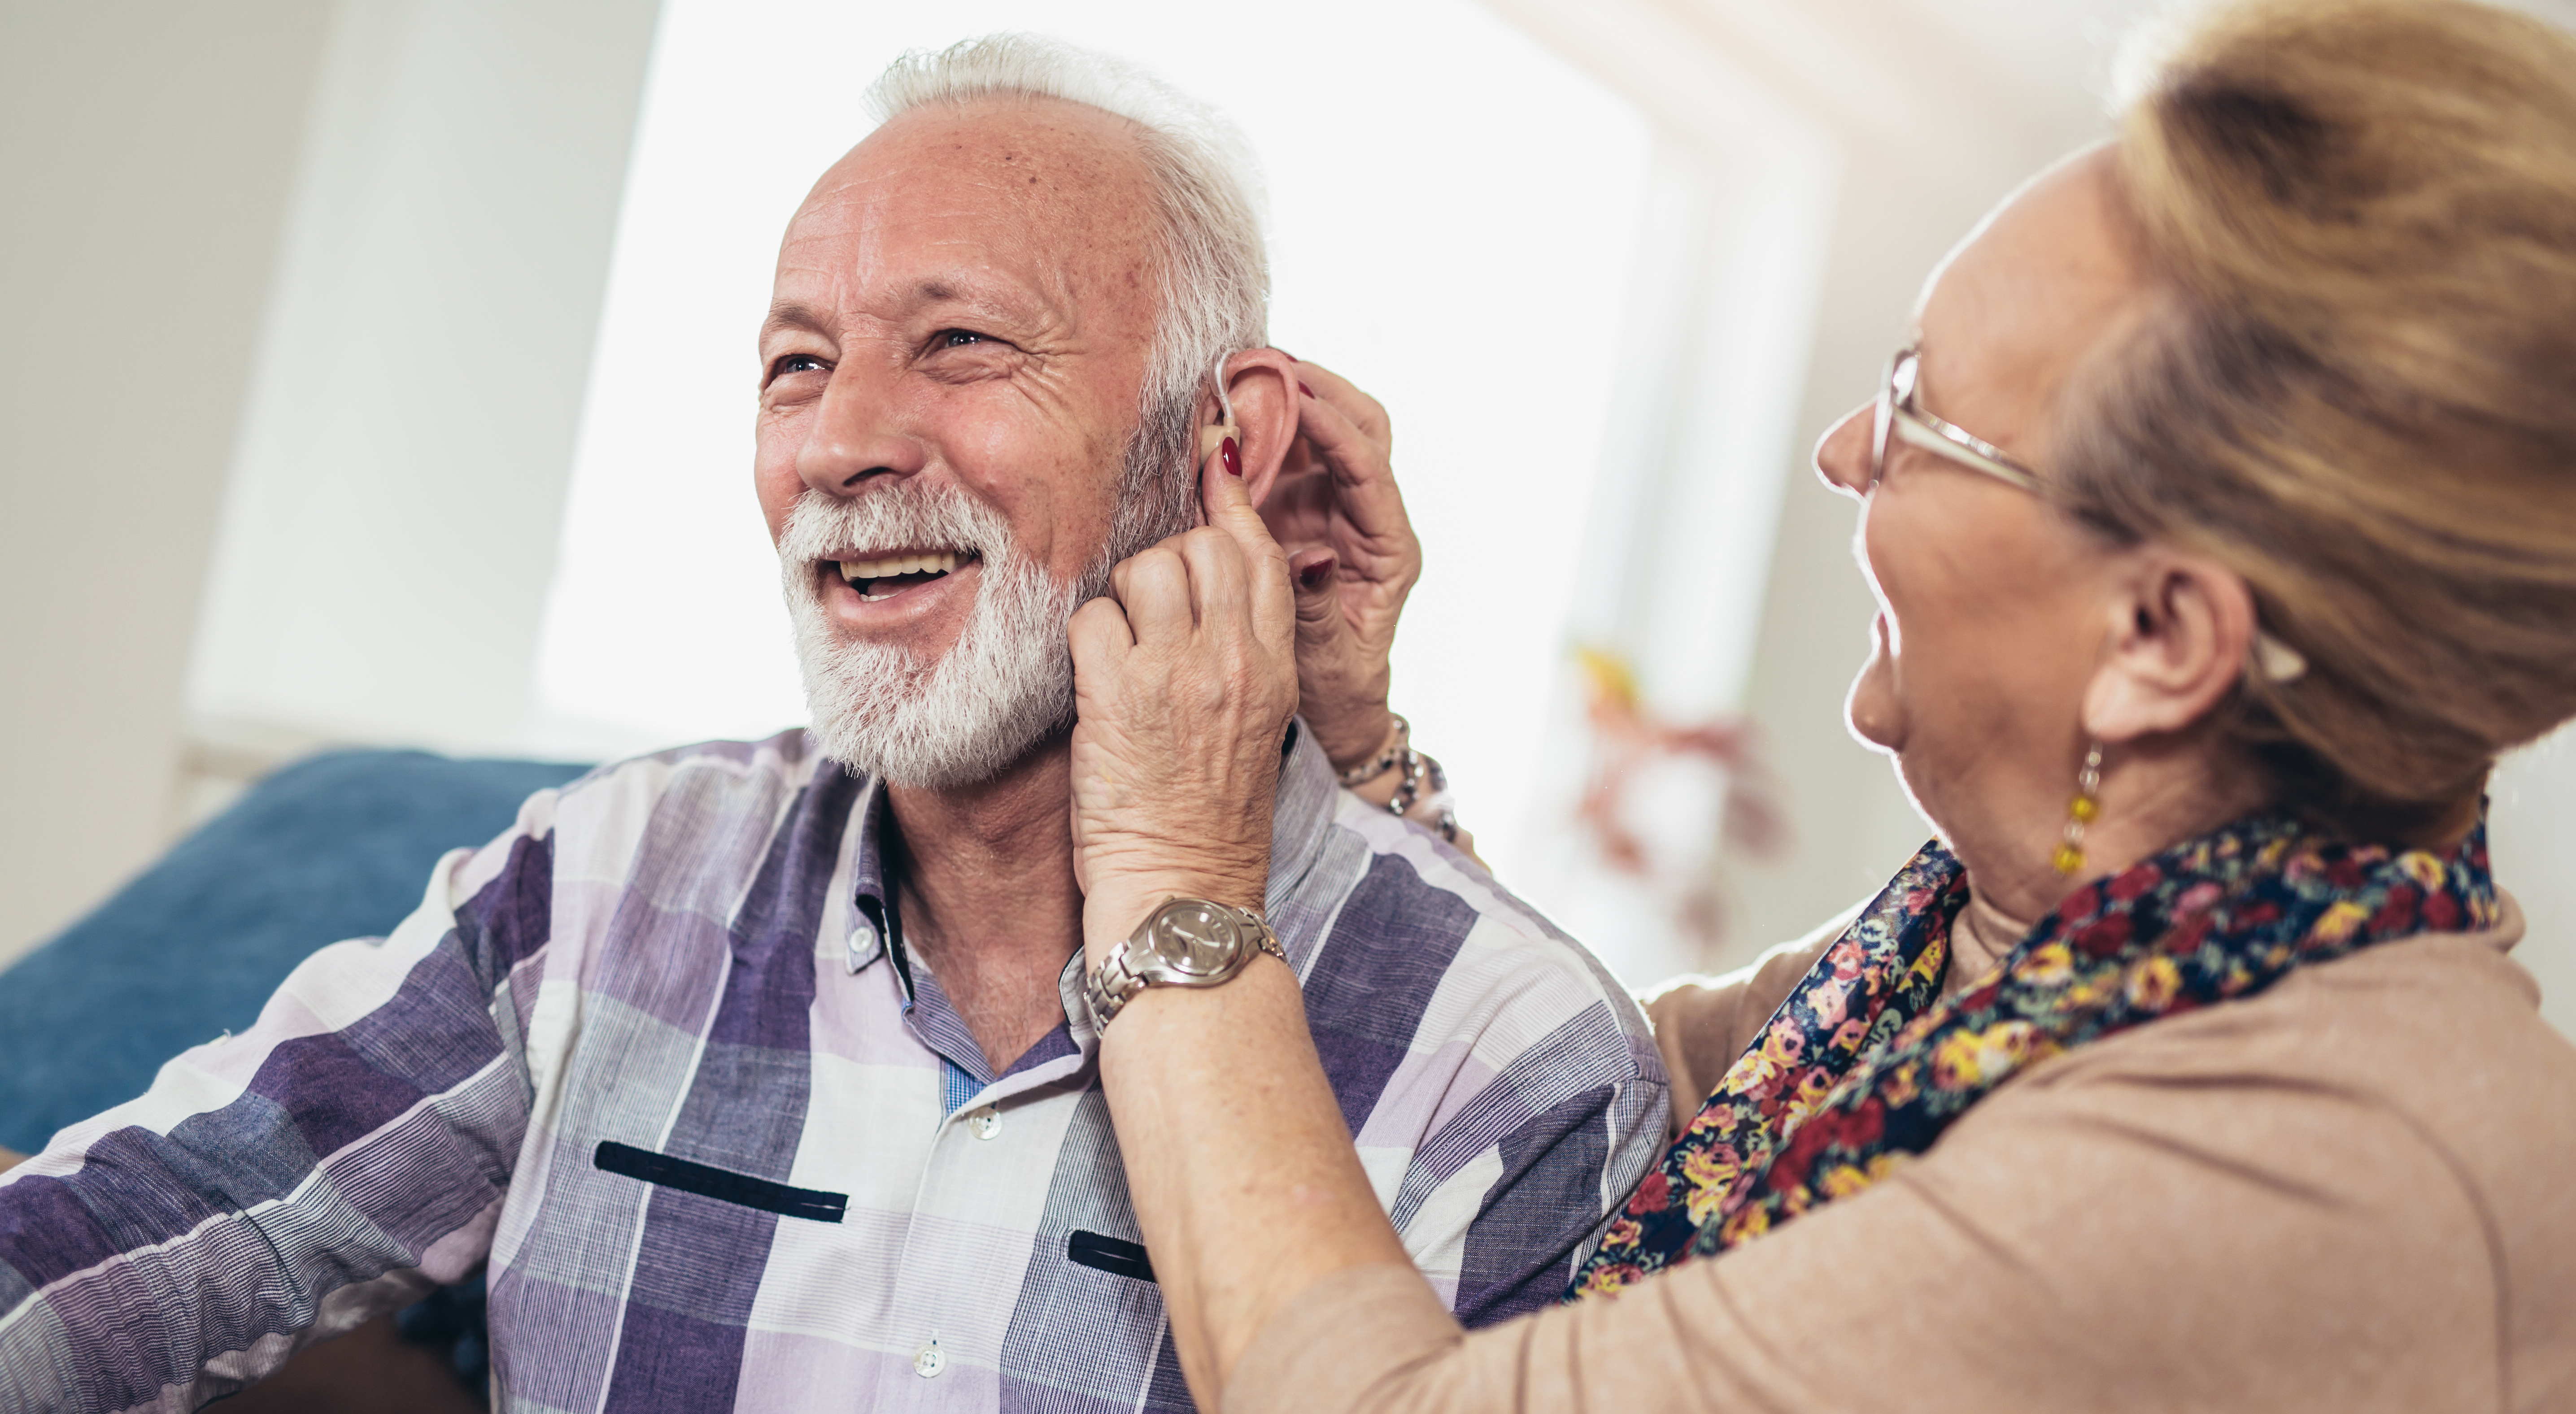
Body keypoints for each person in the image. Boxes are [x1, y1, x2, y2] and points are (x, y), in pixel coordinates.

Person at [0, 36, 1666, 1412]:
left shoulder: (1513, 1063)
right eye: (796, 366)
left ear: (1221, 447)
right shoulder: (610, 875)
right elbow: (168, 1223)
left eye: (961, 342)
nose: (844, 440)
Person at [1059, 1, 2576, 1410]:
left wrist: (1170, 881)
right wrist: (1351, 744)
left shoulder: (2286, 1167)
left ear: (2161, 635)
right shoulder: (2003, 964)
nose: (1849, 450)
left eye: (1922, 411)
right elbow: (1546, 1113)